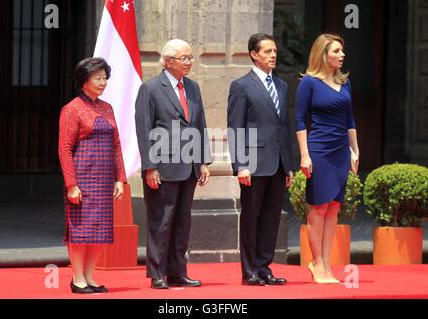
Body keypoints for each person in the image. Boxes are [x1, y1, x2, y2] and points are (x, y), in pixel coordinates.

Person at [135, 39, 211, 289]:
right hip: (163, 167)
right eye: (184, 58)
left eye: (190, 57)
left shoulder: (193, 87)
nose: (189, 62)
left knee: (182, 222)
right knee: (161, 221)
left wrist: (202, 161)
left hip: (188, 165)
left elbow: (199, 125)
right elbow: (144, 129)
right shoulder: (151, 88)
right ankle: (157, 273)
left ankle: (178, 271)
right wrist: (150, 166)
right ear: (168, 61)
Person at [227, 33, 294, 286]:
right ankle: (249, 271)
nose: (273, 55)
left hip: (277, 164)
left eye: (274, 51)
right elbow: (235, 127)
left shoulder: (282, 85)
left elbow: (283, 128)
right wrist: (240, 164)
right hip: (253, 164)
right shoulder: (241, 86)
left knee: (271, 218)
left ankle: (265, 267)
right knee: (252, 217)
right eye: (267, 51)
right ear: (254, 54)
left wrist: (288, 166)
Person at [295, 34, 359, 284]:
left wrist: (355, 150)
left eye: (342, 51)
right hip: (319, 149)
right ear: (324, 54)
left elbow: (350, 121)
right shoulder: (309, 82)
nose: (342, 55)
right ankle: (317, 263)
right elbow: (300, 120)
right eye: (336, 51)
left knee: (333, 209)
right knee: (318, 207)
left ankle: (326, 264)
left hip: (342, 151)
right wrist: (304, 155)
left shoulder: (345, 83)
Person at [58, 57, 126, 294]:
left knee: (100, 229)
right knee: (81, 230)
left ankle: (90, 276)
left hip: (105, 178)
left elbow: (117, 145)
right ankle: (77, 279)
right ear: (84, 81)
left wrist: (120, 178)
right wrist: (71, 184)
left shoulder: (107, 108)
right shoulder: (72, 108)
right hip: (83, 179)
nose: (103, 82)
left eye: (105, 77)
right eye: (97, 78)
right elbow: (64, 149)